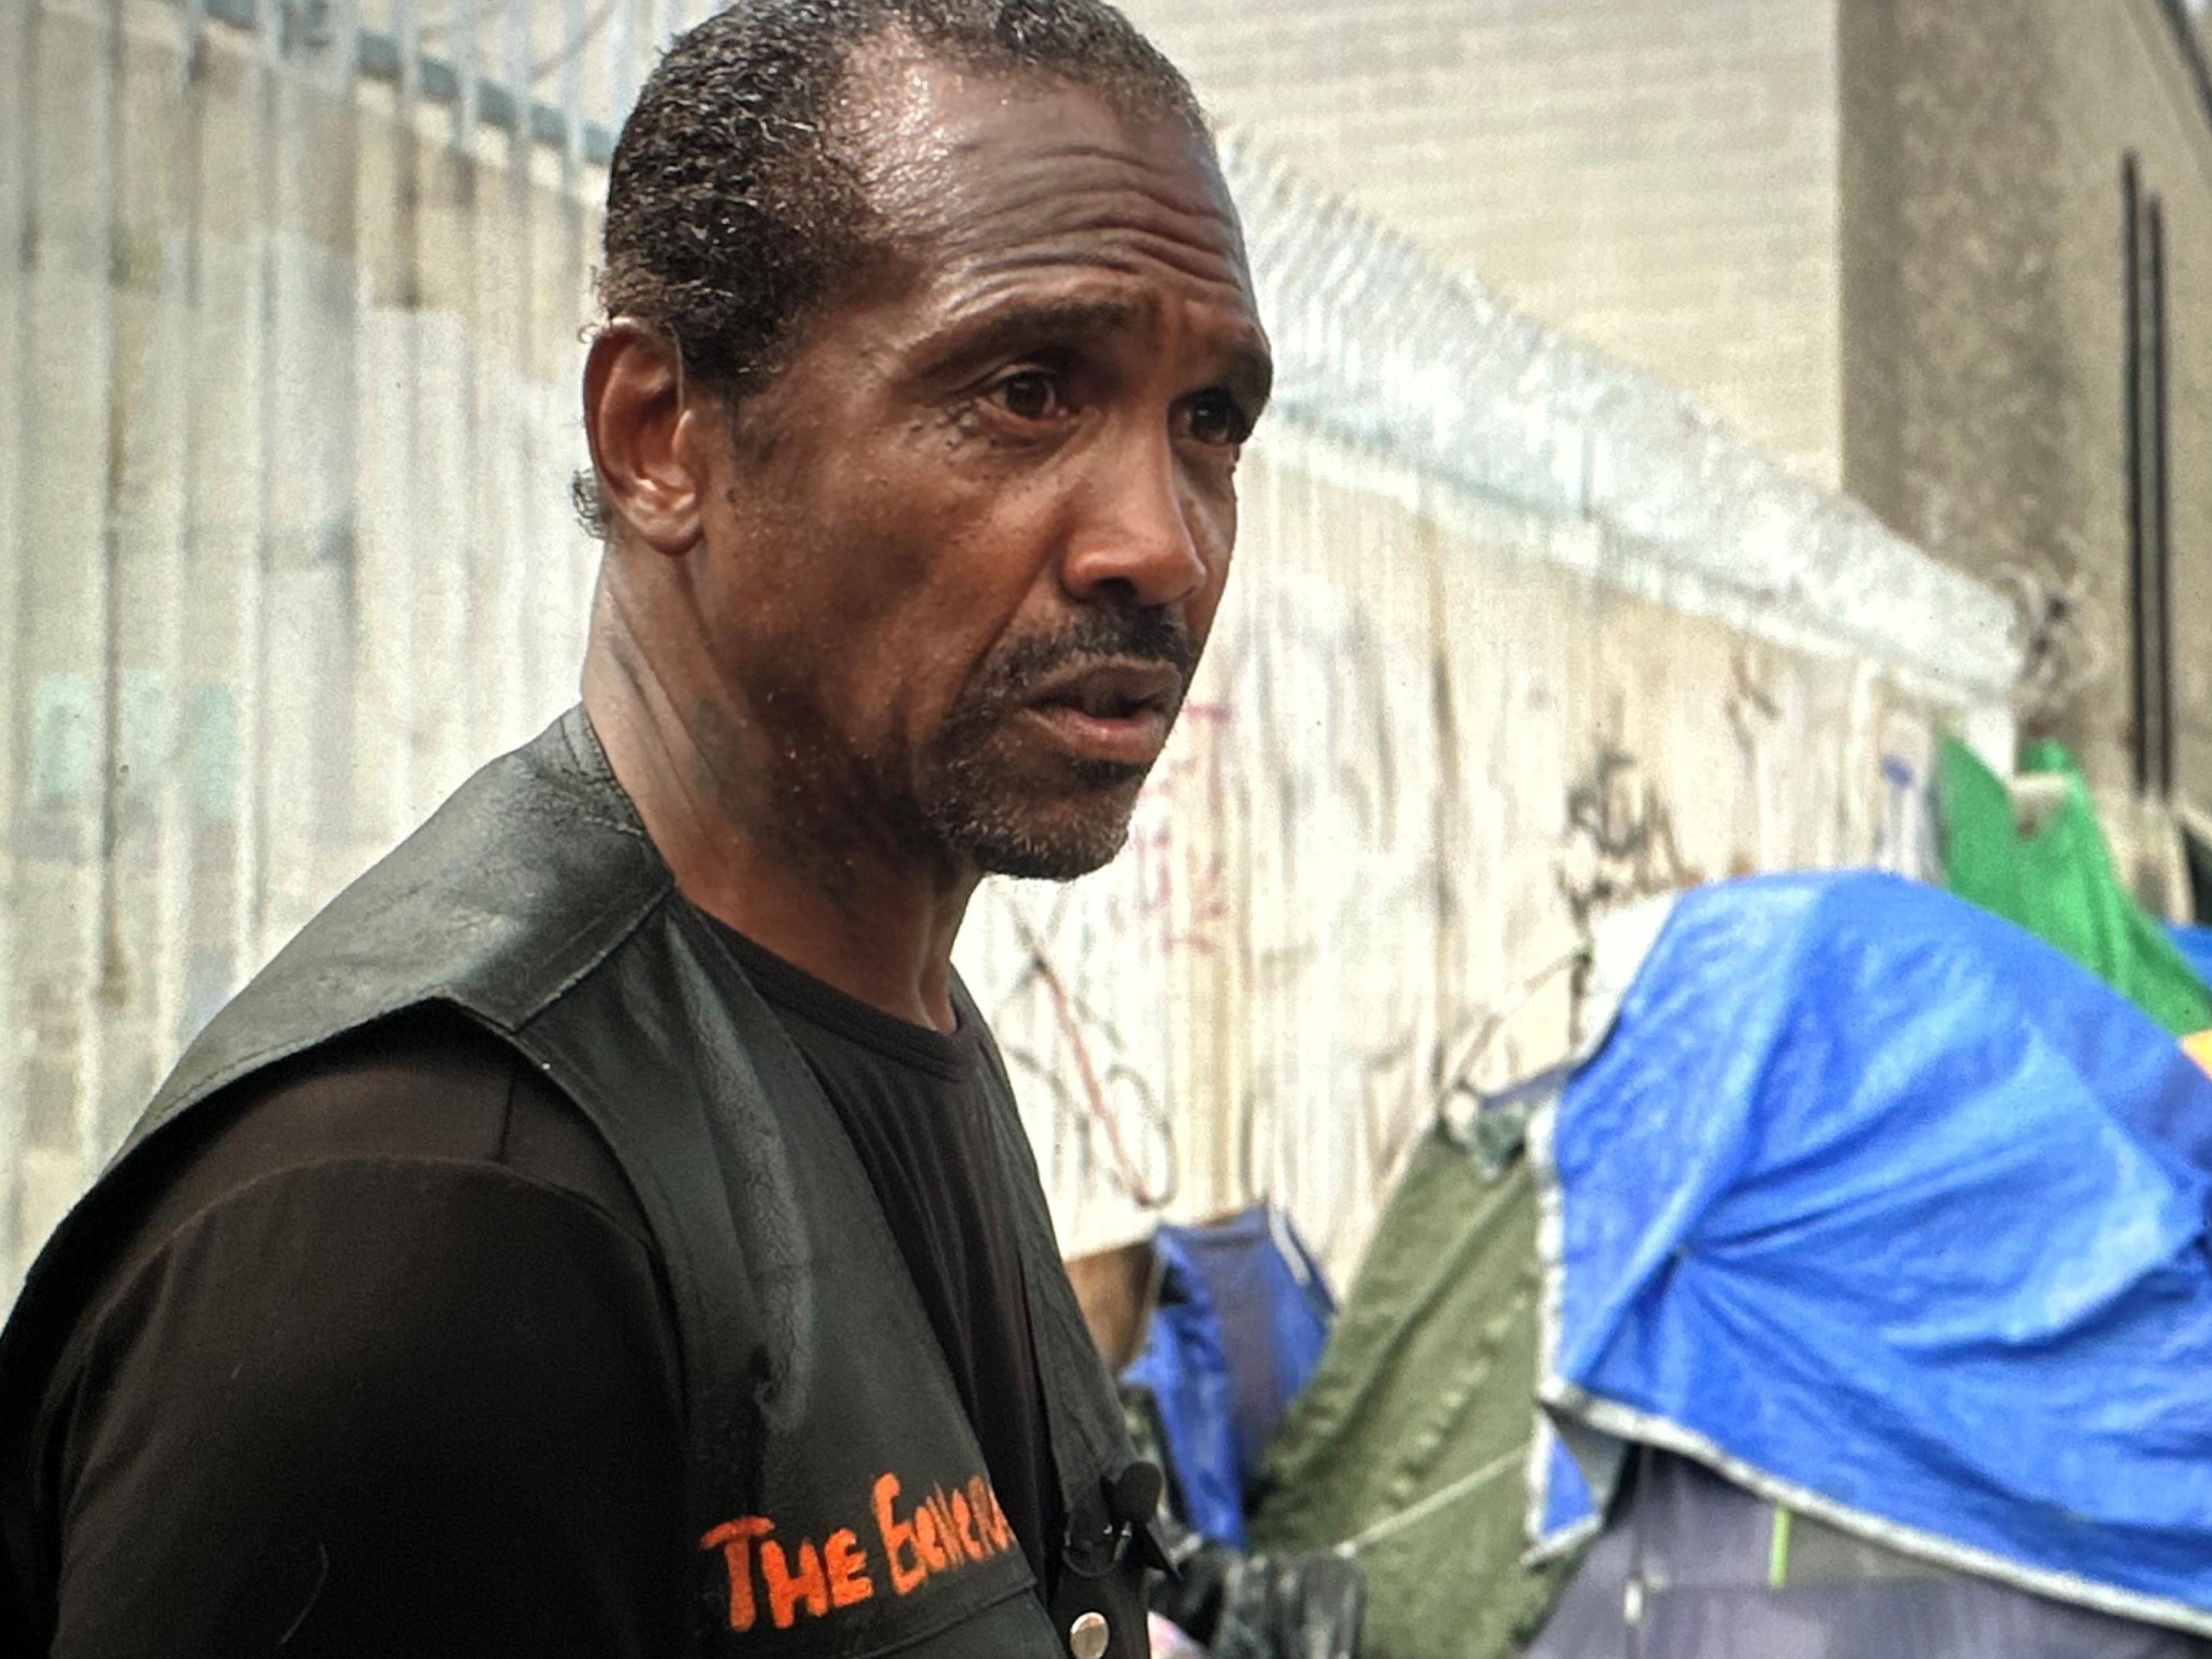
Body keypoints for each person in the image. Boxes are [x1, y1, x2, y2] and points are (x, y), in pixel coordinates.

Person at [0, 2, 1270, 1654]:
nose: (1161, 544)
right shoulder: (439, 1226)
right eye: (1026, 392)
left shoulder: (899, 1023)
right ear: (658, 435)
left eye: (1209, 423)